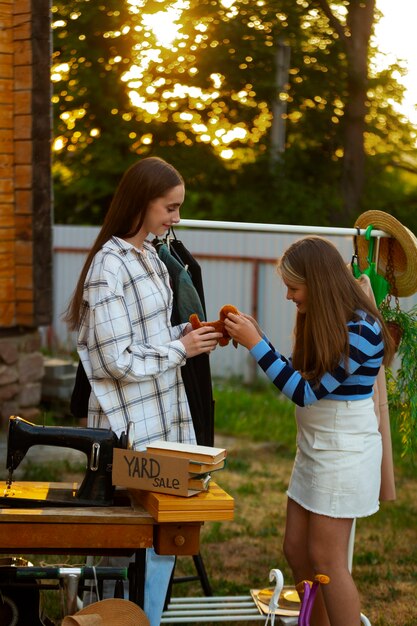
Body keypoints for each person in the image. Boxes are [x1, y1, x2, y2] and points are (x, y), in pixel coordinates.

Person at [64, 156, 222, 626]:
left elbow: (148, 336)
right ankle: (112, 618)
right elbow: (117, 360)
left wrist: (192, 333)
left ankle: (146, 619)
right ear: (141, 202)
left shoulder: (150, 256)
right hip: (127, 429)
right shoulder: (107, 268)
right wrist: (182, 350)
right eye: (169, 208)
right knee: (123, 548)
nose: (176, 219)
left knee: (164, 538)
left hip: (163, 421)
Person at [224, 236, 395, 626]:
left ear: (317, 283)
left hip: (344, 453)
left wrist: (255, 345)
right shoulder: (328, 320)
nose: (288, 296)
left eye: (293, 287)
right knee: (297, 549)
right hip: (316, 449)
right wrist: (259, 336)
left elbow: (304, 391)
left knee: (328, 560)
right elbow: (306, 375)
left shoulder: (363, 329)